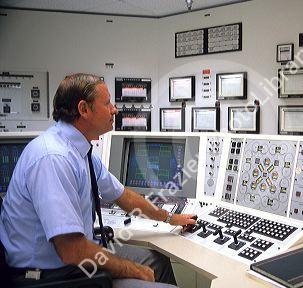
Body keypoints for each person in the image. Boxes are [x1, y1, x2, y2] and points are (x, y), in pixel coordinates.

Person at [0, 73, 196, 288]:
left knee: (157, 261)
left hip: (75, 260)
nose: (115, 109)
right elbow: (72, 250)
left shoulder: (78, 150)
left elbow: (123, 196)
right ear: (84, 109)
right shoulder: (53, 158)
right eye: (107, 103)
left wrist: (171, 218)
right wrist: (133, 269)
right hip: (54, 275)